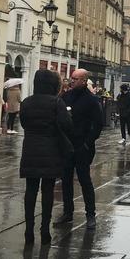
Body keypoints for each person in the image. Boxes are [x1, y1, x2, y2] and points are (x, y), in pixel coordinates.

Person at [19, 69, 73, 246]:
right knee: (48, 190)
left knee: (31, 190)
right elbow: (66, 125)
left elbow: (24, 122)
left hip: (30, 149)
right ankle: (44, 229)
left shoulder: (26, 102)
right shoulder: (57, 102)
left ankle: (28, 230)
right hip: (51, 149)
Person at [54, 69, 103, 230]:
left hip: (83, 146)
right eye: (71, 78)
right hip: (67, 145)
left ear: (84, 81)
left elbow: (98, 124)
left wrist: (87, 143)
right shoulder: (66, 97)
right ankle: (68, 212)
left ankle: (90, 214)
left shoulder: (92, 100)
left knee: (84, 181)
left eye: (75, 79)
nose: (72, 81)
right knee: (66, 180)